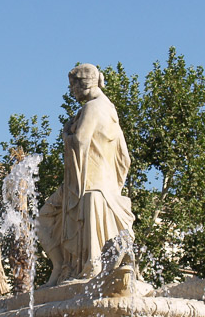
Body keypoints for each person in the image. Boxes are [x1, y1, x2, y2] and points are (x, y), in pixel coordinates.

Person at [37, 64, 134, 285]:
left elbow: (80, 140)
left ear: (84, 83)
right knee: (44, 217)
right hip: (94, 180)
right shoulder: (109, 108)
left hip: (88, 182)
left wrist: (66, 134)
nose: (71, 91)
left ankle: (67, 266)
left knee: (43, 217)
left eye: (72, 86)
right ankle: (62, 267)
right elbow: (124, 157)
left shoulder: (93, 107)